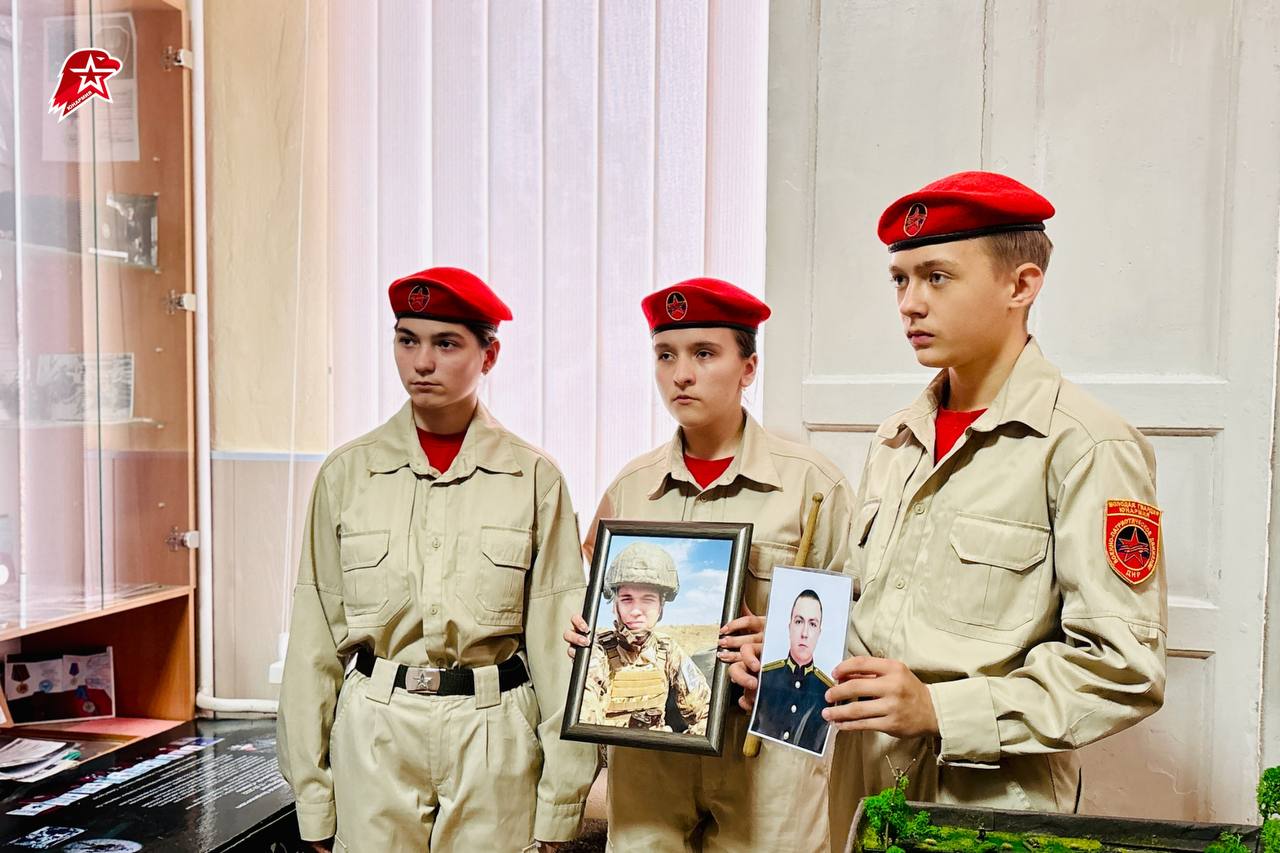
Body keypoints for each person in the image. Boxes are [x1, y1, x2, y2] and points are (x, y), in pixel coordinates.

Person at [730, 171, 1168, 848]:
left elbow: (1124, 669)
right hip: (864, 794)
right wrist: (794, 648)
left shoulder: (1087, 446)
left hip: (988, 811)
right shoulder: (896, 438)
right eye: (900, 280)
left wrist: (940, 708)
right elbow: (881, 618)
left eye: (937, 277)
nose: (910, 304)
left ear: (1021, 285)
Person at [277, 267, 597, 852]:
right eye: (407, 340)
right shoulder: (347, 475)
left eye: (446, 344)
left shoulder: (533, 478)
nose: (421, 363)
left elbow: (558, 648)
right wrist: (313, 795)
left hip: (493, 731)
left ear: (488, 355)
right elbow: (314, 640)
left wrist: (561, 799)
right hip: (375, 731)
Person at [565, 277, 854, 852]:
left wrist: (778, 643)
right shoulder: (632, 487)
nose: (681, 374)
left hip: (767, 755)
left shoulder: (812, 486)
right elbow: (589, 587)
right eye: (665, 355)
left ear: (748, 368)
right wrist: (583, 629)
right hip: (649, 755)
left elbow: (856, 633)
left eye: (703, 354)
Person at [580, 541, 711, 733]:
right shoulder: (597, 651)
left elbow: (705, 714)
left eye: (648, 600)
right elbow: (585, 722)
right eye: (627, 599)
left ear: (661, 606)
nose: (636, 611)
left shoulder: (667, 650)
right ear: (615, 605)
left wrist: (677, 743)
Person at [750, 589, 833, 754]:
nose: (804, 633)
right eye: (799, 621)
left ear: (819, 633)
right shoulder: (765, 677)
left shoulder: (827, 692)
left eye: (812, 624)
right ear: (789, 627)